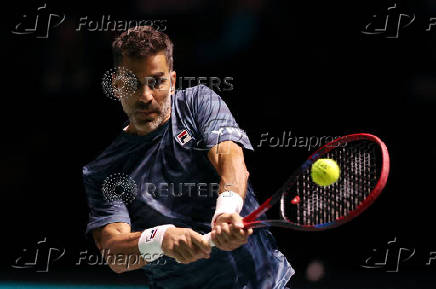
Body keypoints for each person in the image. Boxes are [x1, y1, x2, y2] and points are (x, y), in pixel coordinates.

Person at [83, 25, 294, 289]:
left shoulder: (197, 103)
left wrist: (227, 211)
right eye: (132, 84)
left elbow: (230, 158)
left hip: (263, 282)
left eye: (156, 81)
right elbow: (114, 253)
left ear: (172, 81)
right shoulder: (104, 170)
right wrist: (159, 239)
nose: (145, 96)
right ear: (117, 86)